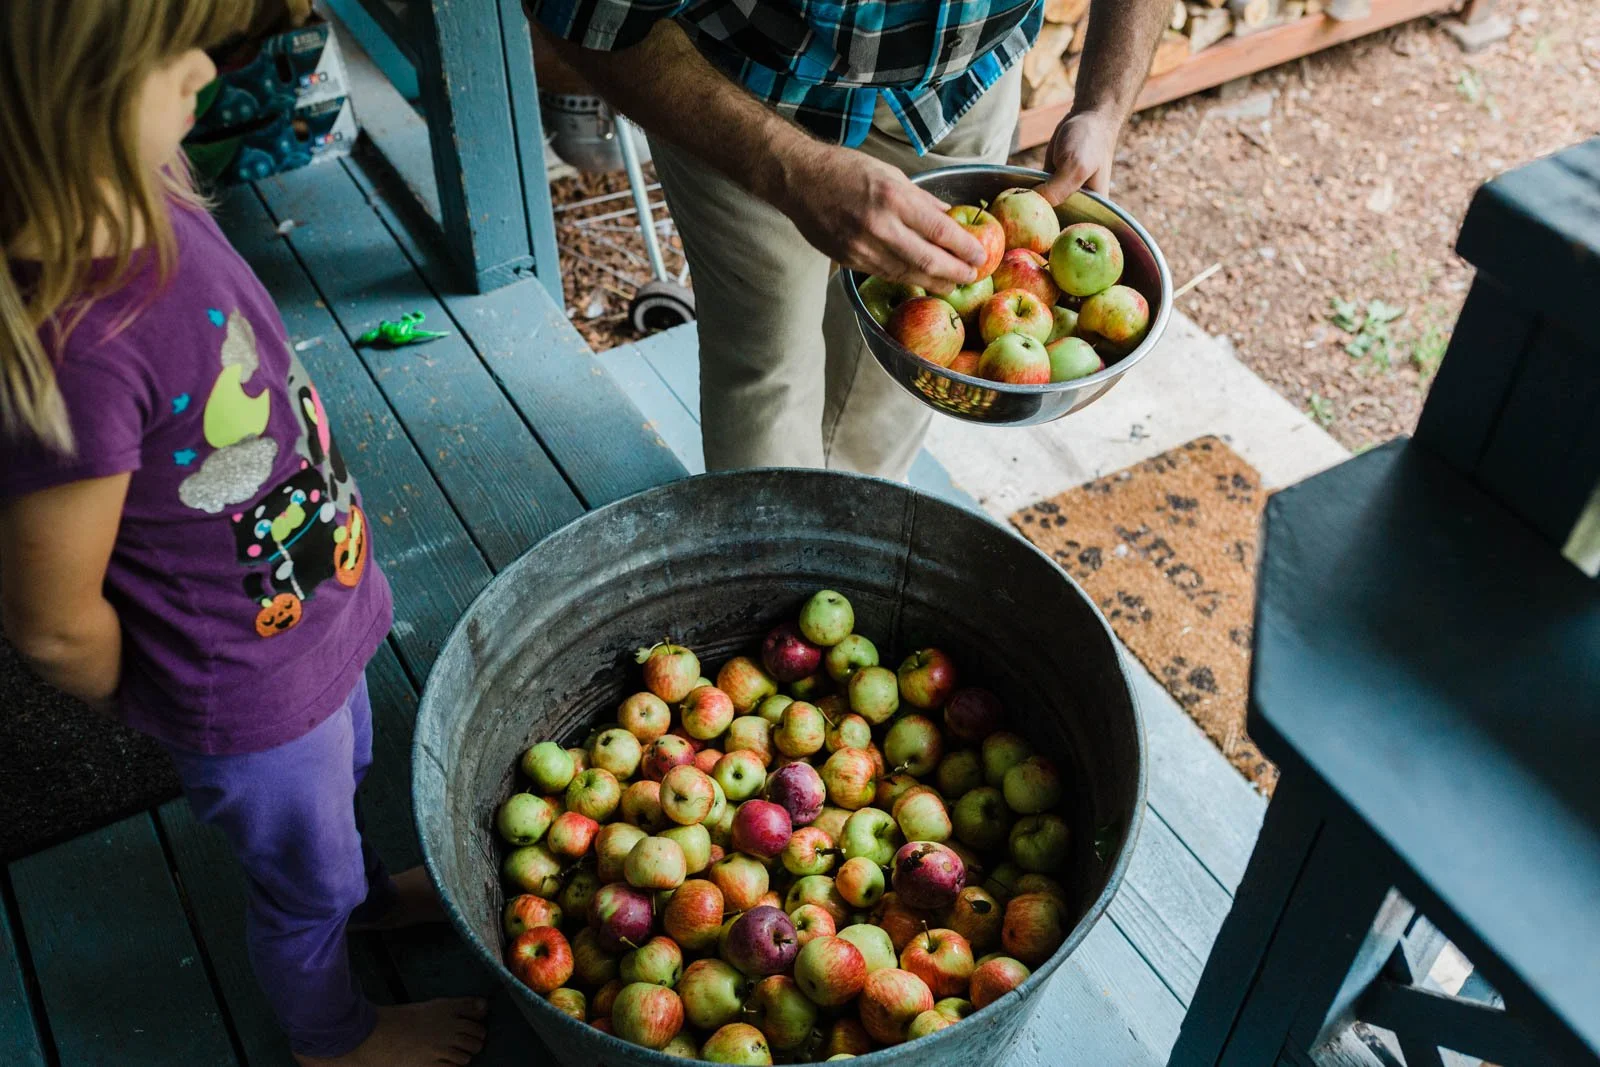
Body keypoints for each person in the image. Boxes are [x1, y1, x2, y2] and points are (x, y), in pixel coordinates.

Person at [0, 4, 486, 1065]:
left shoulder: (144, 184)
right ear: (62, 112)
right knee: (295, 877)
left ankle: (358, 894)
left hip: (306, 599)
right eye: (163, 62)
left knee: (344, 776)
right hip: (245, 685)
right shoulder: (73, 352)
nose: (200, 70)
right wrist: (184, 686)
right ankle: (332, 1033)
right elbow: (48, 622)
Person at [526, 0, 1171, 479]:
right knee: (768, 361)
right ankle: (771, 575)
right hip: (746, 93)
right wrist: (790, 169)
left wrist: (1104, 105)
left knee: (910, 359)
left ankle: (849, 545)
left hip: (965, 82)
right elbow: (583, 17)